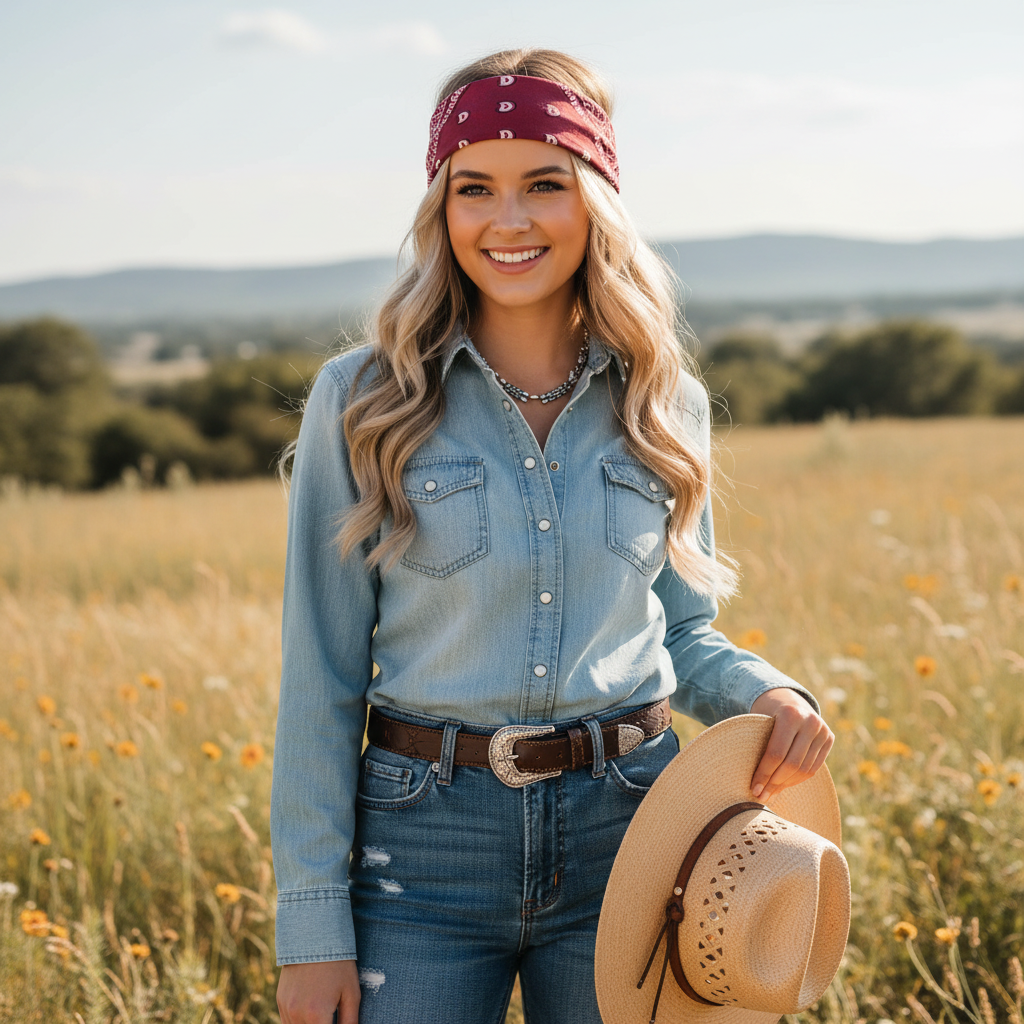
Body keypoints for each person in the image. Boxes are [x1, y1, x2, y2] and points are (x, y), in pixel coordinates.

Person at [272, 48, 834, 1024]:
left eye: (545, 183)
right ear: (441, 209)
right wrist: (311, 930)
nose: (509, 219)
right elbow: (320, 678)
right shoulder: (362, 401)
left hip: (636, 834)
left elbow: (680, 630)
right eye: (474, 188)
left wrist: (762, 689)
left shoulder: (665, 404)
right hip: (422, 854)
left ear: (596, 200)